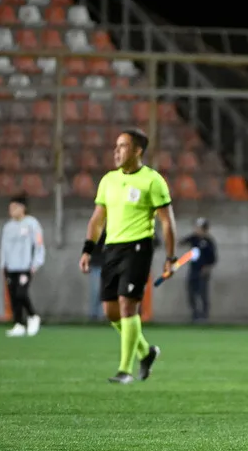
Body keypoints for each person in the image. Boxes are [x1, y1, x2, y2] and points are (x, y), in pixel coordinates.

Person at [79, 128, 174, 384]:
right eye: (116, 146)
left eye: (122, 146)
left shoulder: (152, 180)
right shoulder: (108, 180)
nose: (116, 151)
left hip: (139, 247)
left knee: (127, 305)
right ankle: (146, 351)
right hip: (111, 249)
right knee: (111, 312)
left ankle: (125, 371)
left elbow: (166, 222)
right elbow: (98, 219)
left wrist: (170, 256)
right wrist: (88, 249)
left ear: (137, 151)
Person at [1, 194, 45, 337]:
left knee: (21, 293)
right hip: (10, 267)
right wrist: (3, 265)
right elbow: (3, 247)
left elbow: (38, 244)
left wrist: (36, 263)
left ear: (23, 208)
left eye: (14, 207)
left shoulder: (32, 223)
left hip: (25, 267)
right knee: (13, 295)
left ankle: (33, 315)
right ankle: (19, 324)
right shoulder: (8, 227)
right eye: (10, 208)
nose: (12, 211)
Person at [179, 217, 217, 322]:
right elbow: (182, 241)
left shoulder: (209, 242)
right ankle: (195, 314)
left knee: (203, 293)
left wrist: (207, 267)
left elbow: (213, 258)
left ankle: (204, 315)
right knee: (191, 292)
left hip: (203, 272)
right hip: (193, 269)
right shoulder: (194, 238)